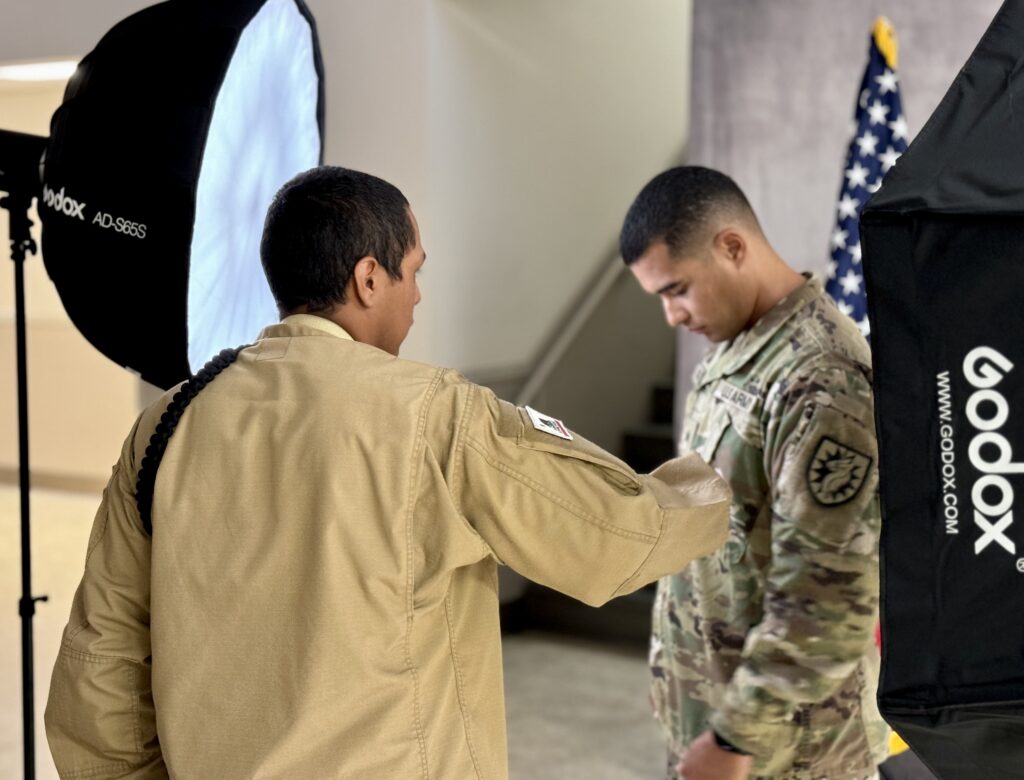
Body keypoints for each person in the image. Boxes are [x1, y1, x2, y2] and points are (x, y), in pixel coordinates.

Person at [44, 166, 731, 779]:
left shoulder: (167, 424)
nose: (418, 296)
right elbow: (613, 536)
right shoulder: (435, 417)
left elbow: (101, 666)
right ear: (369, 278)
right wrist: (715, 481)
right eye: (415, 271)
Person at [619, 166, 889, 780]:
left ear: (732, 247)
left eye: (677, 289)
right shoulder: (740, 352)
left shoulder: (820, 378)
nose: (671, 315)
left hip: (794, 751)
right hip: (719, 721)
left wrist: (733, 739)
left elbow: (828, 600)